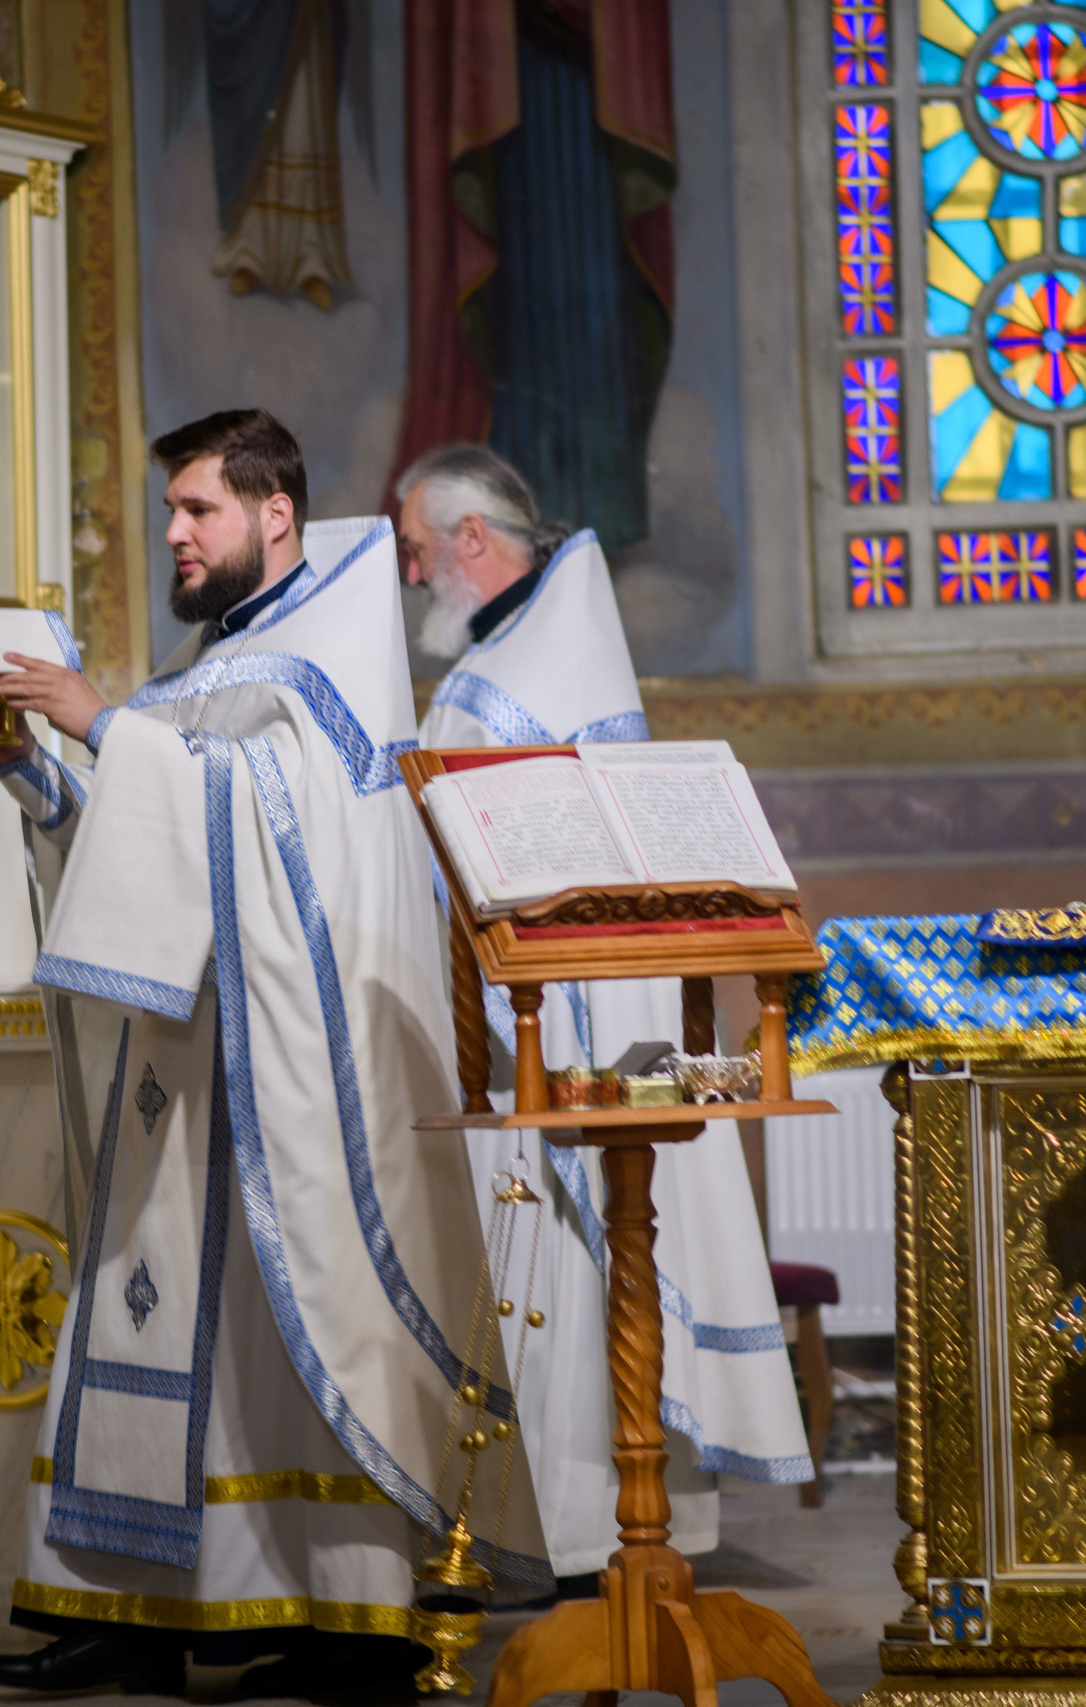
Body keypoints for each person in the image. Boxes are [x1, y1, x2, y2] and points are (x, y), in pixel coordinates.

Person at [0, 411, 548, 1697]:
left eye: (198, 511)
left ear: (274, 514)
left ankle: (343, 1619)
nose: (175, 534)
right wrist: (32, 766)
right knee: (160, 1324)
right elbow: (148, 826)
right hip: (185, 1064)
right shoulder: (213, 665)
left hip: (298, 1073)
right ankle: (140, 1612)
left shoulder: (329, 657)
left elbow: (282, 819)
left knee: (292, 1340)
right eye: (171, 512)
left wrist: (104, 725)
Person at [395, 444, 815, 1584]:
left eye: (421, 551)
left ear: (472, 539)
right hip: (523, 1012)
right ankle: (585, 1535)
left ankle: (593, 1540)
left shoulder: (526, 666)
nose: (414, 573)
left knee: (585, 1272)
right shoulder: (521, 645)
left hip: (560, 1025)